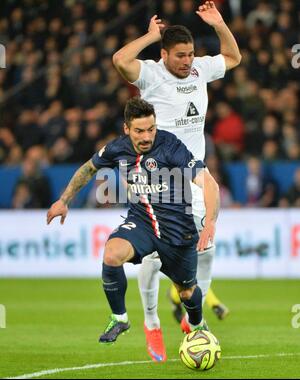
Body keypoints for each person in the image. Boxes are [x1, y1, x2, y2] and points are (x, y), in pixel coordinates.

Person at [112, 1, 241, 360]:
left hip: (195, 173)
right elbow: (120, 60)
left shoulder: (200, 69)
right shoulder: (151, 73)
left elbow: (233, 58)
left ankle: (191, 320)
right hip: (157, 176)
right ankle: (151, 323)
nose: (187, 61)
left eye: (190, 55)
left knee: (206, 246)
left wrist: (218, 25)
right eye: (180, 55)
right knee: (153, 256)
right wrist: (149, 37)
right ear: (165, 54)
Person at [47, 97, 220, 362]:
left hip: (177, 228)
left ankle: (196, 324)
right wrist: (64, 200)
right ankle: (120, 318)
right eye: (140, 130)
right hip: (142, 222)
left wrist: (209, 222)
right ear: (126, 128)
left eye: (151, 129)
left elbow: (208, 183)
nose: (147, 136)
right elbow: (89, 168)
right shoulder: (116, 148)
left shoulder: (171, 146)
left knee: (187, 291)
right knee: (111, 253)